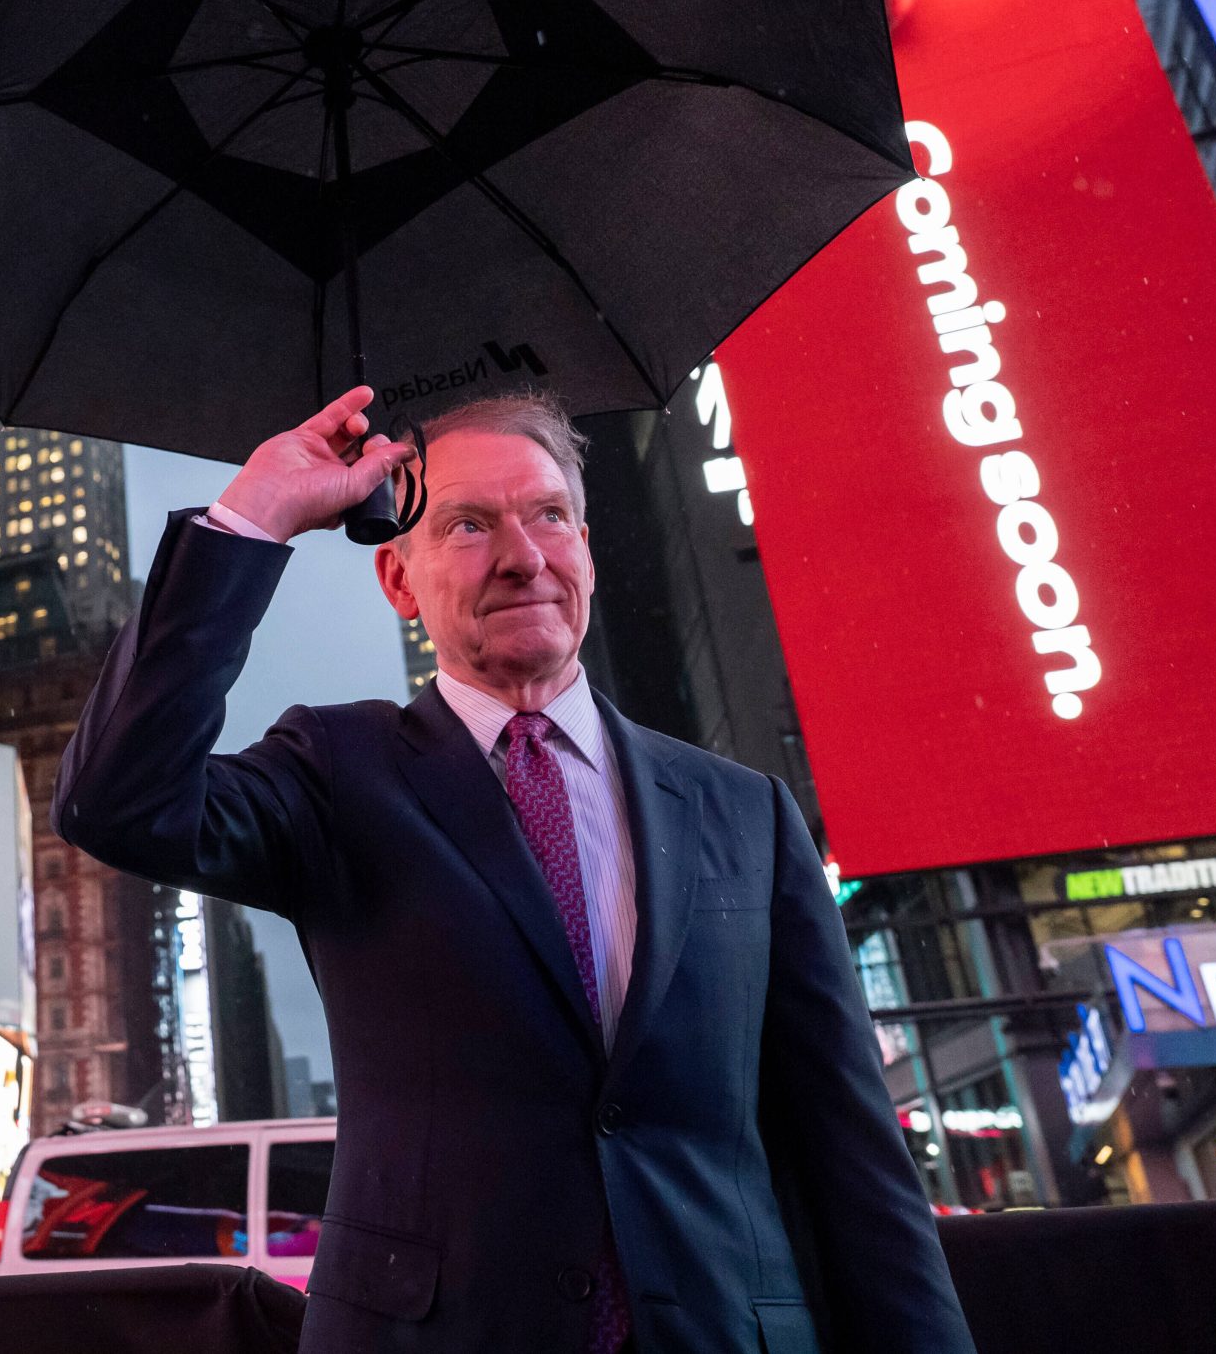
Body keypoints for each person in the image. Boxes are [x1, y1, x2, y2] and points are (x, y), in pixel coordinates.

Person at [54, 387, 973, 1354]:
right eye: (466, 524)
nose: (521, 555)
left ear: (584, 546)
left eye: (548, 515)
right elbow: (118, 800)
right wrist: (257, 514)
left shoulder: (748, 814)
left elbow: (854, 1160)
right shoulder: (337, 774)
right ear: (398, 581)